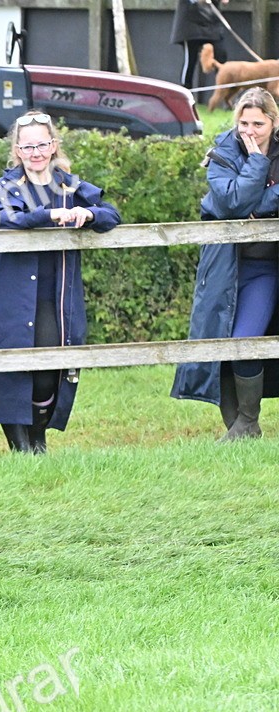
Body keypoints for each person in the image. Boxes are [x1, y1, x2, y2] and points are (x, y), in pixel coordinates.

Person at [0, 111, 121, 454]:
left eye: (42, 144)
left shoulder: (70, 185)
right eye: (28, 146)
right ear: (17, 150)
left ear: (54, 146)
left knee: (50, 369)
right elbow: (0, 218)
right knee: (11, 368)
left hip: (54, 296)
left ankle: (38, 442)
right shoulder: (3, 189)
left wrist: (90, 214)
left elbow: (112, 213)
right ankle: (22, 451)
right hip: (9, 295)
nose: (35, 152)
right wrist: (47, 216)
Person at [173, 87, 279, 440]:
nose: (249, 131)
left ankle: (247, 421)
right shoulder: (222, 152)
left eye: (258, 124)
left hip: (264, 267)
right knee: (218, 340)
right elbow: (232, 203)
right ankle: (239, 427)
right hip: (223, 264)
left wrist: (258, 202)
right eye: (244, 123)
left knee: (245, 339)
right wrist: (257, 166)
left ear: (273, 123)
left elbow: (246, 202)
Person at [172, 0, 229, 92]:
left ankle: (224, 92)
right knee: (191, 59)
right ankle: (186, 92)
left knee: (221, 55)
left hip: (211, 22)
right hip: (190, 22)